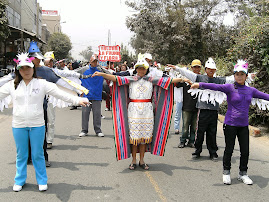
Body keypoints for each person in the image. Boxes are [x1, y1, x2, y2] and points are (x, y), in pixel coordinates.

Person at [1, 53, 89, 192]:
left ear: (33, 68)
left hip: (37, 125)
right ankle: (19, 180)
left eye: (28, 67)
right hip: (19, 125)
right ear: (18, 70)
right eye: (23, 68)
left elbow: (60, 94)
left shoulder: (41, 83)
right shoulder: (12, 85)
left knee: (38, 154)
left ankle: (42, 180)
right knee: (21, 154)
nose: (26, 70)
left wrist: (78, 100)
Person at [92, 53, 191, 170]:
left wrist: (182, 79)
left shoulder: (152, 80)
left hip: (147, 111)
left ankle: (142, 160)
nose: (141, 70)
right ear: (136, 69)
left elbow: (169, 81)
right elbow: (115, 78)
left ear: (146, 69)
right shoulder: (131, 79)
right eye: (139, 68)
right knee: (134, 138)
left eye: (143, 68)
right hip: (133, 112)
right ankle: (133, 161)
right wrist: (102, 74)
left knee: (144, 138)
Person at [190, 60, 269, 185]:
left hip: (243, 126)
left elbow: (265, 96)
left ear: (246, 76)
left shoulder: (251, 90)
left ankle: (243, 173)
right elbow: (214, 86)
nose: (239, 76)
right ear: (234, 76)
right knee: (229, 149)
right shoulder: (229, 87)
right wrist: (199, 84)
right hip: (230, 124)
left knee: (245, 151)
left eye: (242, 74)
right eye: (237, 74)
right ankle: (226, 172)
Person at [168, 58, 235, 161]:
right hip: (202, 110)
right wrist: (177, 68)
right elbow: (187, 73)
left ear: (215, 70)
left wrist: (246, 75)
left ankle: (213, 152)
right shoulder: (199, 78)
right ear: (206, 69)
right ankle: (197, 151)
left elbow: (232, 78)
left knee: (212, 133)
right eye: (209, 69)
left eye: (213, 69)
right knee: (199, 132)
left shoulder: (219, 80)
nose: (211, 71)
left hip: (213, 111)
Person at [176, 59, 201, 148]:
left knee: (194, 127)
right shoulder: (186, 78)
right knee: (185, 127)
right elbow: (176, 84)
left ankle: (192, 141)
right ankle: (183, 141)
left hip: (198, 107)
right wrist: (182, 78)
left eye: (198, 67)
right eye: (195, 67)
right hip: (186, 106)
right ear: (191, 68)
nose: (196, 69)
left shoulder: (201, 79)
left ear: (200, 68)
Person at [78, 54, 104, 137]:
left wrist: (102, 68)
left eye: (96, 61)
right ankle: (84, 130)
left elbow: (110, 74)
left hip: (97, 96)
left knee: (97, 115)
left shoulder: (100, 70)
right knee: (85, 114)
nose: (95, 63)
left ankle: (98, 131)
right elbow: (73, 73)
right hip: (86, 97)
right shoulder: (83, 70)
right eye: (93, 61)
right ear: (90, 62)